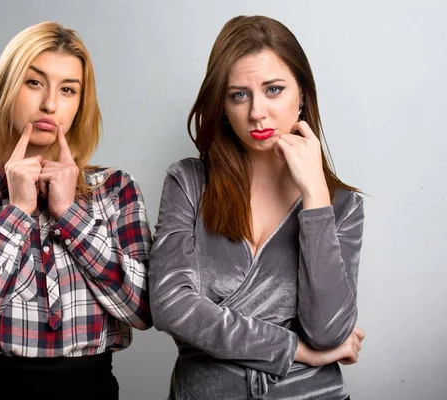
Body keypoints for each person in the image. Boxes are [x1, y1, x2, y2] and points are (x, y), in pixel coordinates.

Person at [0, 21, 152, 400]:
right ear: (6, 89)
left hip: (92, 390)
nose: (50, 103)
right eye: (34, 83)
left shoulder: (116, 190)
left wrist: (68, 213)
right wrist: (15, 212)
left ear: (81, 104)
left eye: (68, 90)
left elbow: (144, 308)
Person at [148, 15, 365, 400]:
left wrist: (315, 198)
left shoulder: (342, 205)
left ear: (302, 95)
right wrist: (297, 351)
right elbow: (172, 307)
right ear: (223, 105)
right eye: (239, 95)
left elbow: (328, 331)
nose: (257, 113)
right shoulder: (189, 182)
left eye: (274, 90)